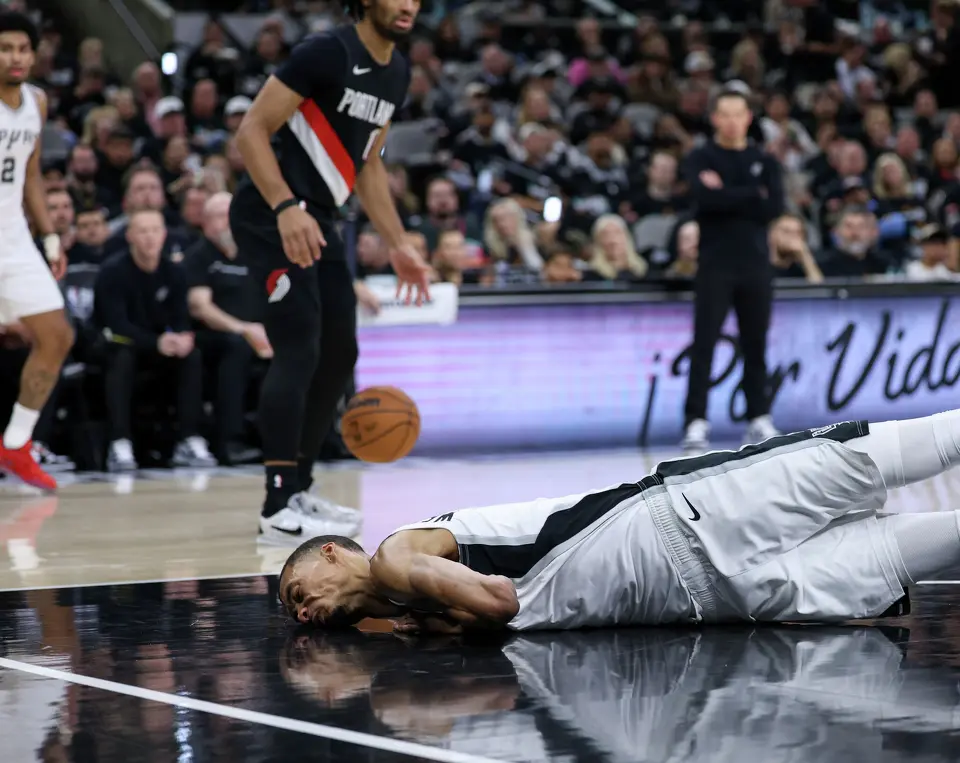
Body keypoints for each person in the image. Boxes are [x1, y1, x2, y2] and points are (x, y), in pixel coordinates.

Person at [280, 410, 960, 632]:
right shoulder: (408, 602)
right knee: (907, 543)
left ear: (336, 552)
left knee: (902, 450)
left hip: (683, 524)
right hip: (713, 594)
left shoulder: (398, 553)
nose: (300, 609)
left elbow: (498, 597)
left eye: (296, 589)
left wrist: (433, 627)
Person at [230, 0, 431, 544]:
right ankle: (275, 505)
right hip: (272, 215)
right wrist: (284, 207)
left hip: (322, 217)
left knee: (341, 351)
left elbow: (367, 163)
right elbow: (251, 130)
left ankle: (298, 487)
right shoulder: (327, 51)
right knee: (299, 347)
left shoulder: (397, 70)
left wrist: (398, 244)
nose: (408, 3)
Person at [681, 89, 784, 453]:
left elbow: (773, 208)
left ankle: (758, 416)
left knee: (755, 343)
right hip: (715, 265)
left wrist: (727, 194)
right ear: (714, 119)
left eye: (737, 114)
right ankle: (695, 421)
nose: (730, 121)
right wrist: (749, 195)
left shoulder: (765, 161)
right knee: (705, 344)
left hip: (755, 264)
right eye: (723, 114)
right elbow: (703, 200)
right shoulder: (700, 157)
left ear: (748, 118)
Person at [0, 12, 75, 490]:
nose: (15, 58)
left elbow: (30, 177)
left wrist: (49, 237)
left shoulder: (37, 102)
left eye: (23, 49)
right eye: (5, 48)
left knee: (57, 337)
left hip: (14, 240)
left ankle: (15, 443)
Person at [93, 208, 215, 472]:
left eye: (155, 231)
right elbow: (116, 324)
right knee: (121, 357)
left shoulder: (174, 271)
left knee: (191, 356)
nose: (150, 237)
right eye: (143, 231)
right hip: (118, 344)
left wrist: (183, 337)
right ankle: (120, 443)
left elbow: (181, 315)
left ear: (164, 235)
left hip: (157, 345)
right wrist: (157, 342)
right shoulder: (113, 272)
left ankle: (189, 439)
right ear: (130, 236)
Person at [185, 191, 268, 464]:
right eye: (221, 215)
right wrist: (243, 328)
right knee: (237, 348)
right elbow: (200, 307)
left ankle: (293, 438)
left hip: (258, 333)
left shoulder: (253, 253)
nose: (229, 221)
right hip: (213, 336)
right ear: (206, 222)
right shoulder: (199, 255)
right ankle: (231, 441)